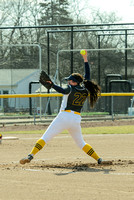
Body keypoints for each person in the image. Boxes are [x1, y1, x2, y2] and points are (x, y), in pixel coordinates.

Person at [20, 50, 112, 165]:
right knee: (81, 143)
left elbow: (63, 90)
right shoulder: (84, 89)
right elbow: (87, 75)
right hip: (76, 119)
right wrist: (85, 59)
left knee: (45, 137)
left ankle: (30, 156)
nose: (68, 81)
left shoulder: (70, 88)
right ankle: (99, 159)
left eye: (70, 80)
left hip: (64, 117)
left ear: (74, 82)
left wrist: (52, 85)